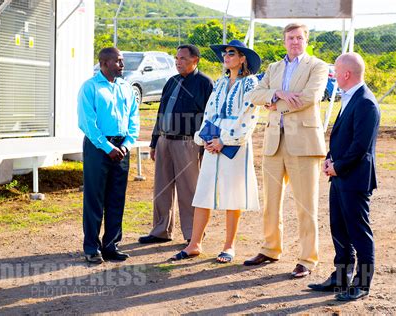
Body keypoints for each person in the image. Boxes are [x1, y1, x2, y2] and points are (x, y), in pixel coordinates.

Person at [243, 23, 328, 278]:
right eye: (290, 38)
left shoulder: (317, 66)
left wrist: (274, 102)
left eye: (299, 38)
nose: (294, 42)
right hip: (273, 142)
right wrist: (277, 93)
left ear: (306, 40)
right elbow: (254, 95)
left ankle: (307, 259)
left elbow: (310, 97)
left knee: (305, 205)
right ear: (284, 41)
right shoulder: (274, 68)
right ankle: (270, 249)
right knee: (270, 203)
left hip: (303, 143)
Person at [169, 40, 262, 263]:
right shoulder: (220, 83)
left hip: (235, 144)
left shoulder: (250, 84)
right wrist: (206, 138)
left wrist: (225, 140)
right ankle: (194, 244)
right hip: (213, 142)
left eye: (232, 53)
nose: (226, 56)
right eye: (225, 53)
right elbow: (210, 112)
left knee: (232, 195)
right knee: (204, 192)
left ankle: (229, 246)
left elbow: (248, 116)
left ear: (242, 59)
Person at [308, 52, 380, 301]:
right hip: (339, 175)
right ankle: (341, 277)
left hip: (354, 178)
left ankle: (363, 283)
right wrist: (330, 159)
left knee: (359, 232)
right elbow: (342, 138)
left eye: (335, 71)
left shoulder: (366, 102)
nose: (333, 75)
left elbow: (361, 146)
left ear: (346, 74)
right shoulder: (350, 97)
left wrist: (338, 166)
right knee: (339, 228)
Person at [138, 44, 213, 245]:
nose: (178, 62)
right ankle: (161, 231)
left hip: (188, 143)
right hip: (164, 141)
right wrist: (154, 142)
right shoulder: (171, 81)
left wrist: (205, 146)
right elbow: (161, 112)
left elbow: (210, 117)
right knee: (161, 188)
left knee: (189, 189)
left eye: (183, 59)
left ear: (195, 60)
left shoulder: (205, 83)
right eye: (177, 59)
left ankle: (192, 234)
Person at [77, 47, 140, 264]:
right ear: (104, 63)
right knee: (95, 198)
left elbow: (134, 118)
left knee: (116, 198)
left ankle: (111, 246)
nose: (122, 65)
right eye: (118, 61)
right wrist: (106, 147)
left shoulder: (125, 87)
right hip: (98, 148)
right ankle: (91, 248)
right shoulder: (90, 87)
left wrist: (127, 144)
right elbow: (87, 123)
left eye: (122, 61)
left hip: (121, 147)